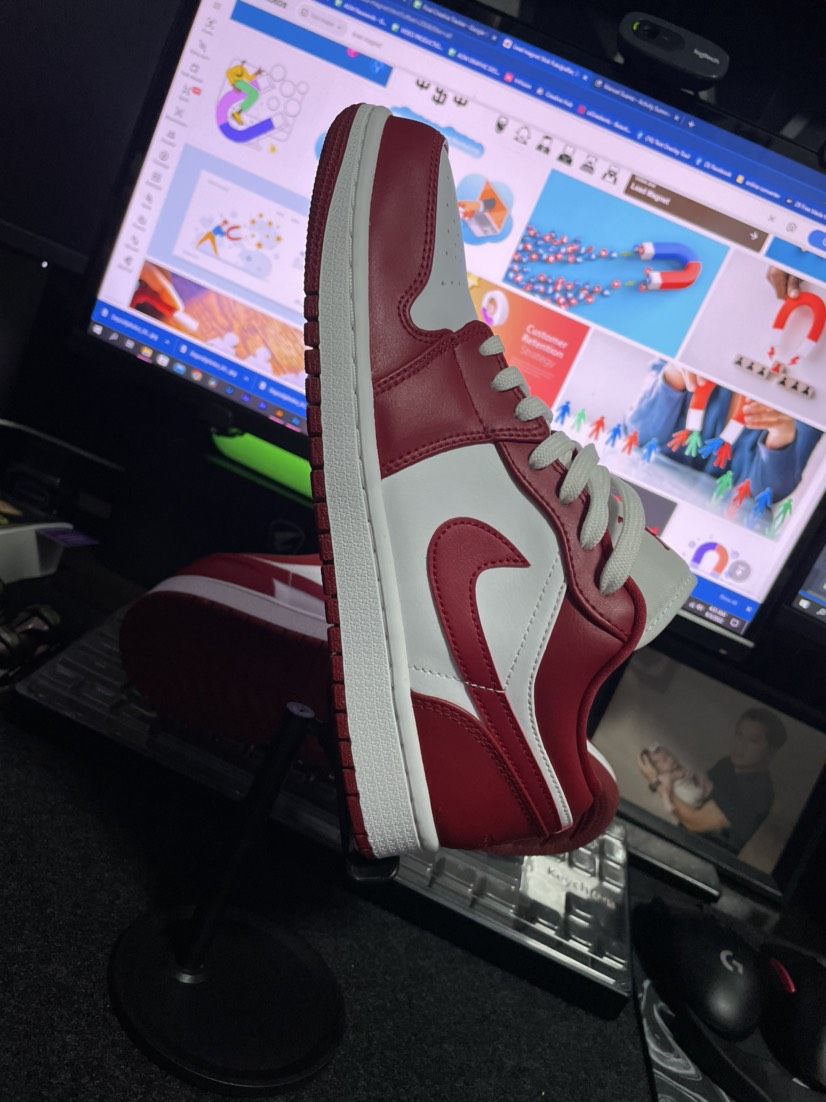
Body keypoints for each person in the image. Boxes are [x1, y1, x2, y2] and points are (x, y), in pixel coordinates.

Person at [625, 268, 820, 500]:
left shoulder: (811, 387)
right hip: (752, 290)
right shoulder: (708, 327)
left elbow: (765, 493)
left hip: (809, 342)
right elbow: (639, 436)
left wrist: (781, 436)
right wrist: (676, 372)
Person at [639, 707, 787, 852]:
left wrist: (656, 782)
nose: (740, 745)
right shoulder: (727, 764)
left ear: (771, 752)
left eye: (753, 741)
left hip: (702, 859)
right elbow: (699, 794)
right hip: (679, 841)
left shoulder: (760, 793)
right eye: (739, 734)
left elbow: (695, 821)